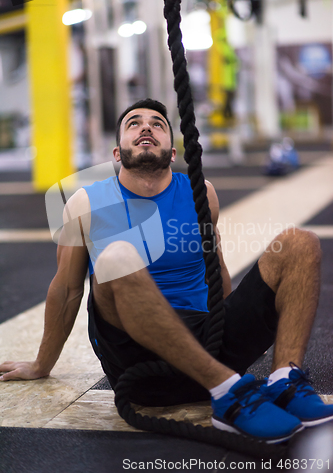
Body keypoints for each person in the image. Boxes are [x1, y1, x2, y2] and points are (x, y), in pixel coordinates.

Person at [1, 99, 332, 444]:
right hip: (138, 361)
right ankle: (227, 389)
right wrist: (42, 364)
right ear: (117, 153)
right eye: (134, 123)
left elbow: (215, 271)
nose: (146, 127)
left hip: (206, 341)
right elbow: (67, 290)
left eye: (157, 124)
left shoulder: (201, 193)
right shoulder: (84, 203)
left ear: (172, 154)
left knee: (300, 242)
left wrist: (238, 330)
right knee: (116, 256)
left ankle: (284, 380)